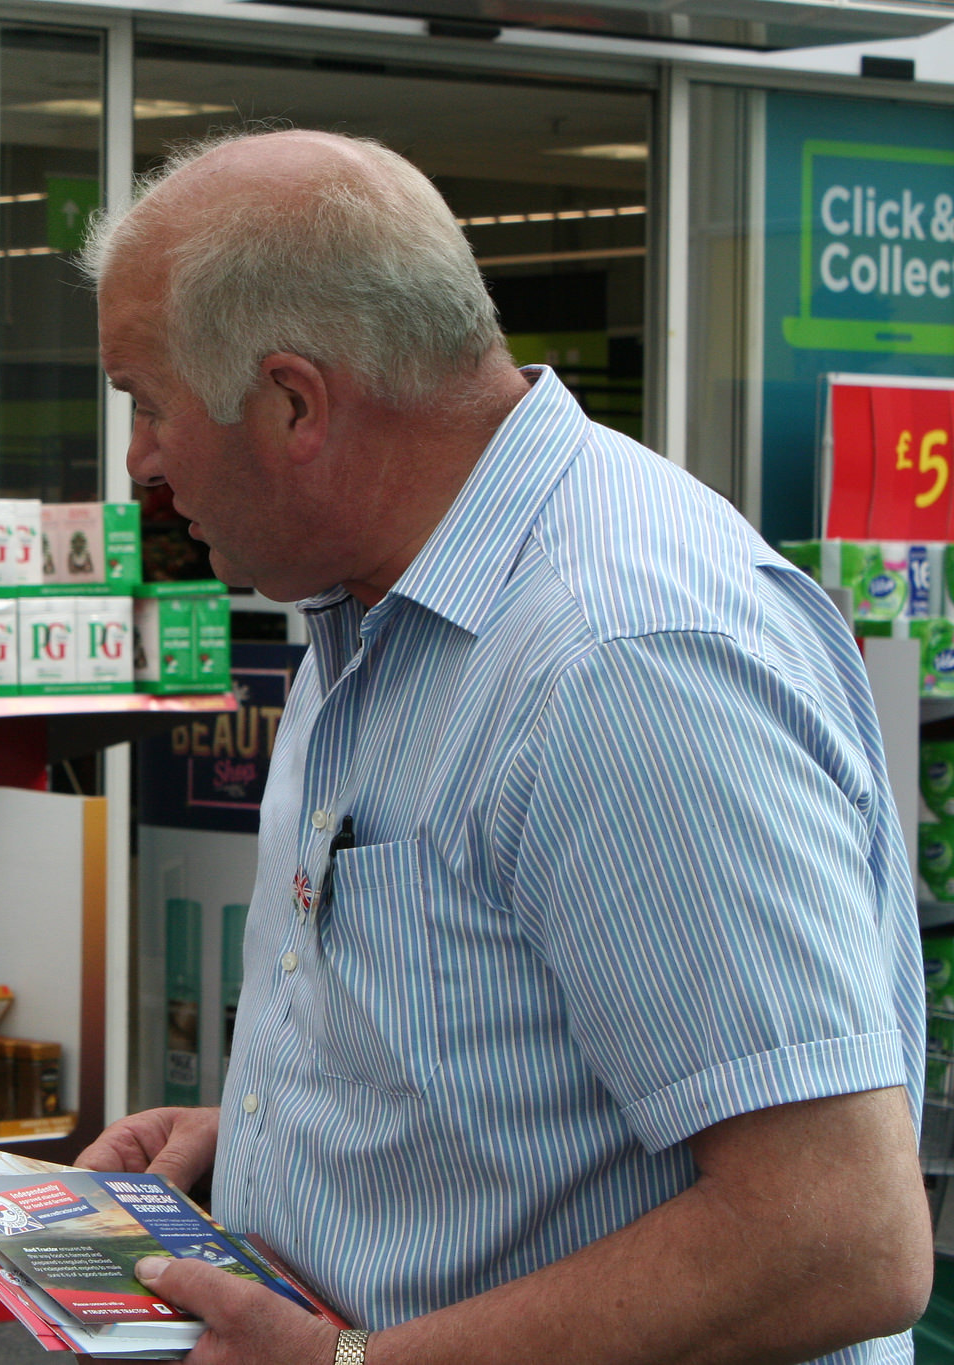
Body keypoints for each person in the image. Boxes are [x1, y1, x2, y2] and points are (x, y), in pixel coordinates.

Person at [77, 128, 932, 1365]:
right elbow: (515, 1057)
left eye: (148, 405)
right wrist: (276, 1137)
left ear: (292, 402)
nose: (138, 462)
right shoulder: (378, 603)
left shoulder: (619, 662)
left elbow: (830, 1234)